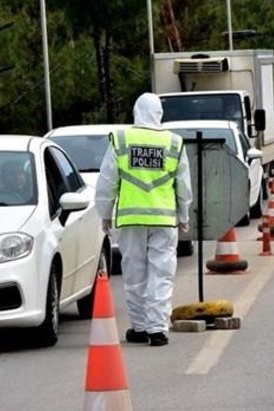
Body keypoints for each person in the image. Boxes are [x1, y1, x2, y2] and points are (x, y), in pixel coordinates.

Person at [95, 93, 193, 347]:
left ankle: (139, 327)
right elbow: (183, 184)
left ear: (136, 112)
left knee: (135, 274)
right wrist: (183, 216)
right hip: (163, 219)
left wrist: (105, 214)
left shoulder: (122, 139)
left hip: (131, 219)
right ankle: (158, 329)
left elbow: (107, 181)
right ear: (159, 114)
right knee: (161, 273)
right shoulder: (173, 143)